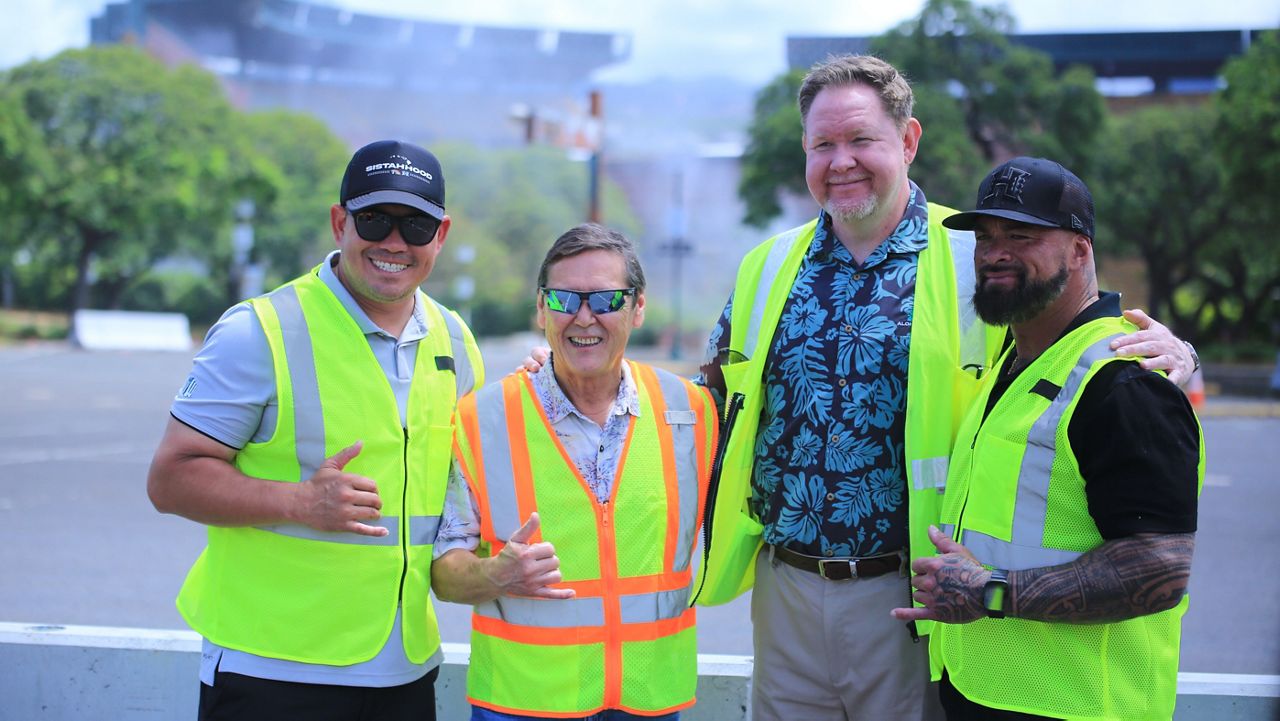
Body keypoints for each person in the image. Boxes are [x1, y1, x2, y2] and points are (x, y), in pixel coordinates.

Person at [692, 55, 1197, 721]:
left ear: (907, 140)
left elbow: (1077, 343)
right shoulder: (768, 263)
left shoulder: (979, 259)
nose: (841, 161)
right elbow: (712, 392)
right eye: (823, 145)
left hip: (912, 590)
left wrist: (1181, 352)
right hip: (783, 587)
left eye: (861, 140)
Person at [147, 139, 482, 721]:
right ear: (339, 222)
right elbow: (169, 479)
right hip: (271, 668)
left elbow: (464, 494)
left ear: (442, 234)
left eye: (416, 225)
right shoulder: (260, 330)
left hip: (403, 670)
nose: (394, 242)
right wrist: (297, 501)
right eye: (374, 219)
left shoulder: (455, 341)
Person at [890, 156, 1202, 720]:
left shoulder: (1123, 382)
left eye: (1021, 235)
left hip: (1079, 705)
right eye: (985, 237)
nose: (994, 253)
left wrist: (989, 592)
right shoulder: (1017, 356)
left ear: (1080, 249)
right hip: (988, 690)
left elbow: (1159, 570)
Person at [431, 224, 717, 720]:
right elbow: (443, 573)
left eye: (606, 300)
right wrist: (495, 575)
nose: (584, 317)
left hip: (651, 700)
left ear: (638, 307)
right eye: (565, 299)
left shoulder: (692, 413)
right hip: (522, 704)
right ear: (542, 309)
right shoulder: (483, 418)